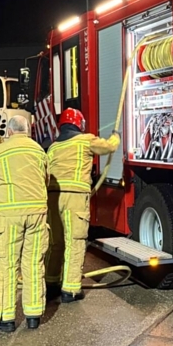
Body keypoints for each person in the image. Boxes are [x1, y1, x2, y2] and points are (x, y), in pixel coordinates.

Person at [0, 115, 49, 332]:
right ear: (27, 130)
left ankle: (5, 318)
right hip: (37, 213)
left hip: (10, 214)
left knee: (7, 264)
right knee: (34, 263)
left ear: (10, 131)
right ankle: (33, 315)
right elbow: (46, 180)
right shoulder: (38, 150)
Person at [44, 108, 119, 303]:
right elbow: (107, 148)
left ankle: (51, 282)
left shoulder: (53, 147)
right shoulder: (85, 140)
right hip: (75, 199)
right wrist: (116, 137)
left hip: (52, 198)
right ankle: (70, 289)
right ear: (80, 124)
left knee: (56, 242)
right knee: (75, 242)